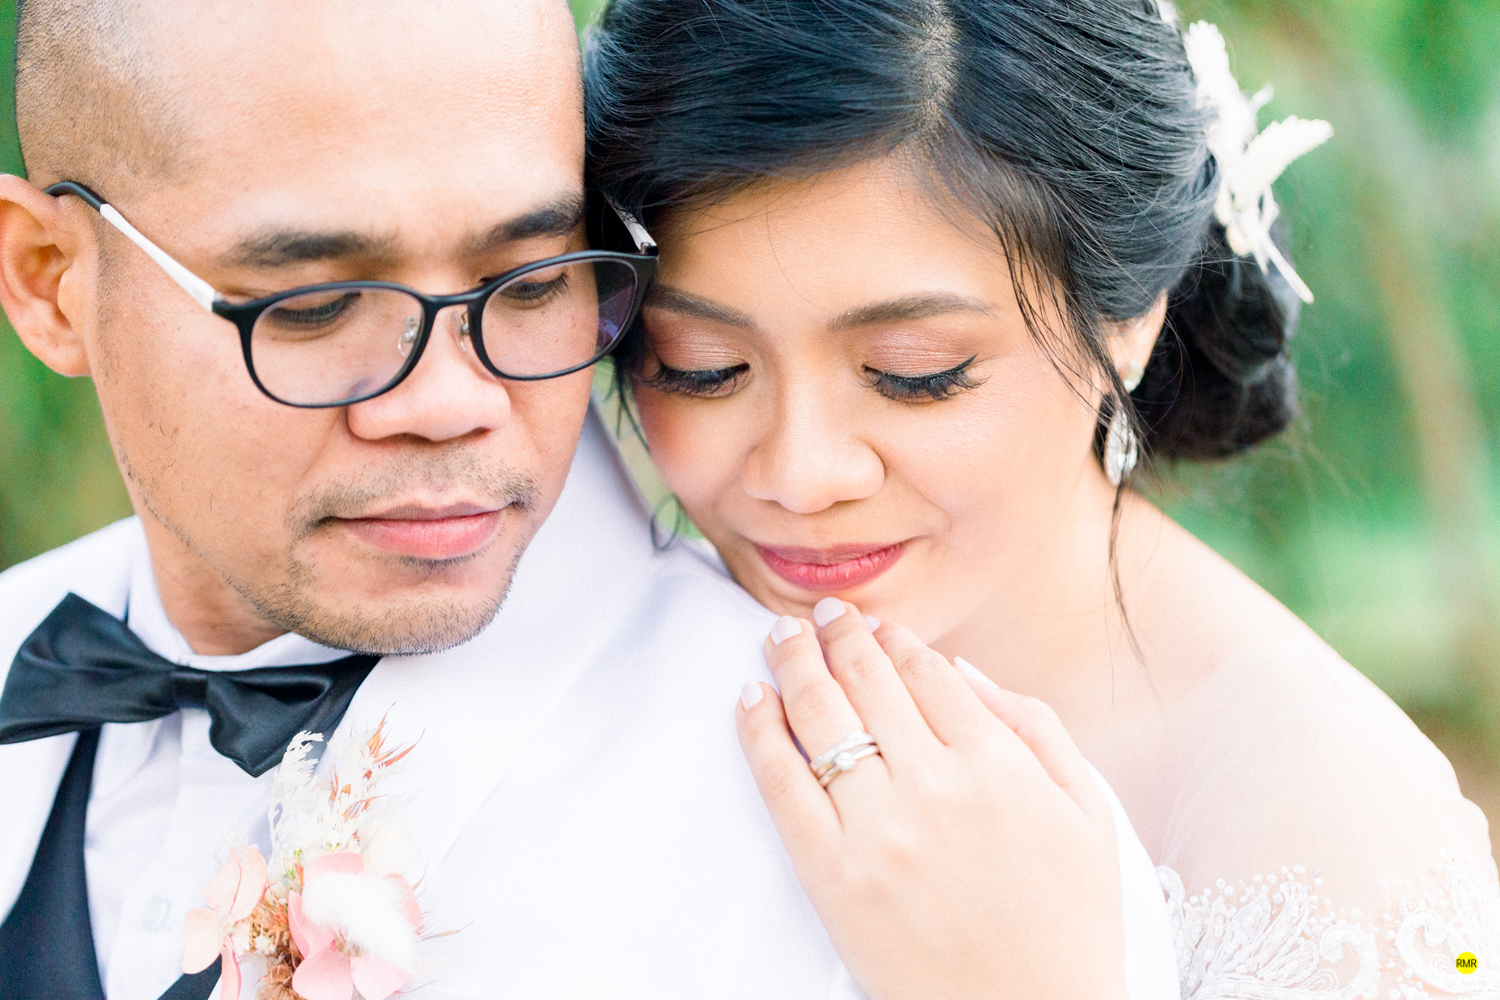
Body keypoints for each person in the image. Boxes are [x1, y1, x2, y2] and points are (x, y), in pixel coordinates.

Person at [0, 1, 1180, 997]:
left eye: (528, 282)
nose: (449, 401)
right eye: (312, 305)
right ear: (49, 283)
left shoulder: (946, 861)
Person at [583, 0, 1500, 997]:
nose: (799, 476)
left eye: (915, 372)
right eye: (702, 367)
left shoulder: (1340, 837)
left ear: (1127, 321)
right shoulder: (597, 672)